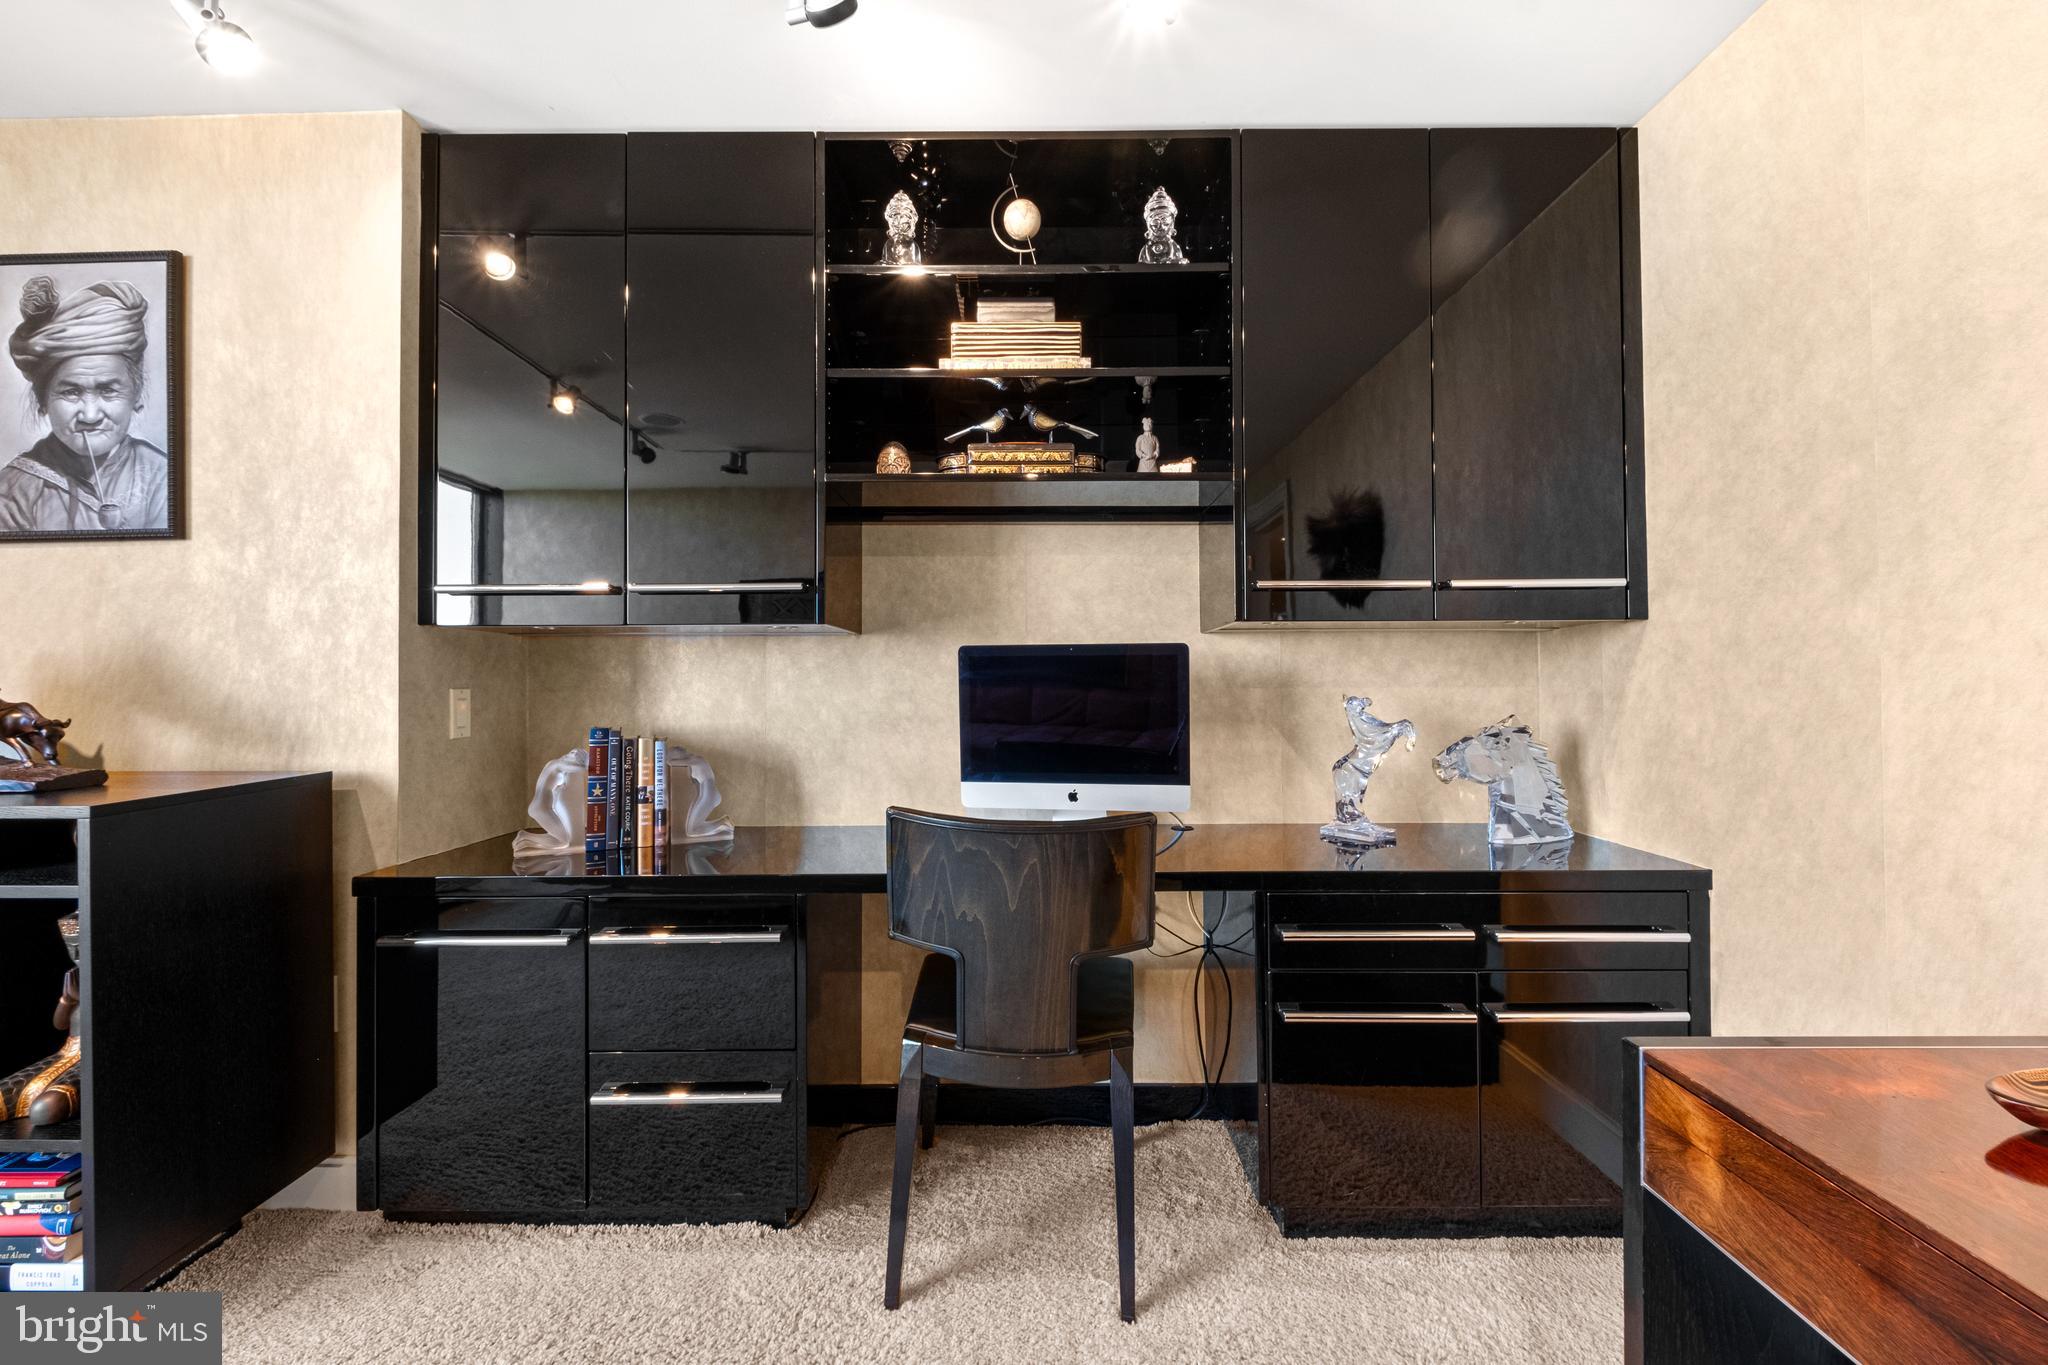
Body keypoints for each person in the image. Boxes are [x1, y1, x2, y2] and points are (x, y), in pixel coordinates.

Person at [2, 276, 169, 533]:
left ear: (136, 395)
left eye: (108, 390)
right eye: (70, 392)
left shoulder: (163, 478)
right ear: (42, 400)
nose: (90, 415)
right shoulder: (13, 494)